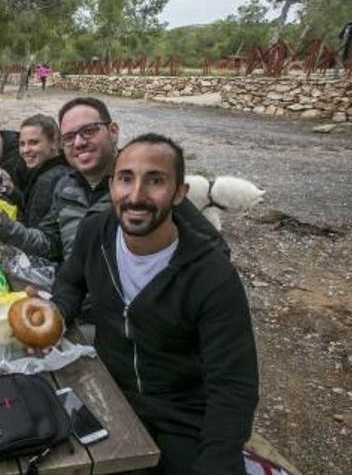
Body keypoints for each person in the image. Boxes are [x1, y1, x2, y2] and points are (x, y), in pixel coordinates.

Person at [52, 133, 258, 474]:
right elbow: (71, 281)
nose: (136, 196)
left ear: (180, 194)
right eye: (126, 178)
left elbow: (234, 386)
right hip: (107, 393)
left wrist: (218, 460)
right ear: (111, 186)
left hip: (181, 415)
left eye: (156, 181)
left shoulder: (211, 274)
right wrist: (57, 311)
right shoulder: (95, 233)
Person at [0, 97, 225, 262]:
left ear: (113, 131)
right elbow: (49, 243)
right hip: (74, 306)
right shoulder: (66, 186)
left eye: (88, 131)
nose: (78, 142)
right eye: (69, 137)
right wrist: (1, 225)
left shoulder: (146, 186)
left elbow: (216, 252)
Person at [16, 114, 70, 227]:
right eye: (22, 144)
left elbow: (34, 230)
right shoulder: (63, 165)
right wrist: (11, 191)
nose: (25, 150)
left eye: (34, 143)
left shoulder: (48, 180)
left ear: (53, 142)